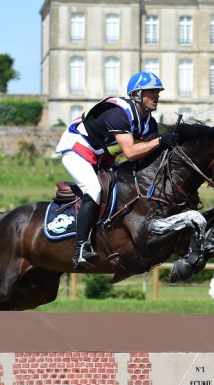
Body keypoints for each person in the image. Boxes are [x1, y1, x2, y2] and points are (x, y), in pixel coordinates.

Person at [55, 71, 176, 268]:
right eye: (151, 92)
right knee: (93, 190)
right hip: (77, 150)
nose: (156, 96)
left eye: (158, 92)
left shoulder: (148, 121)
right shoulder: (118, 113)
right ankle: (81, 249)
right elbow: (130, 152)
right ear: (137, 94)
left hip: (102, 157)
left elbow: (153, 152)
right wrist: (160, 140)